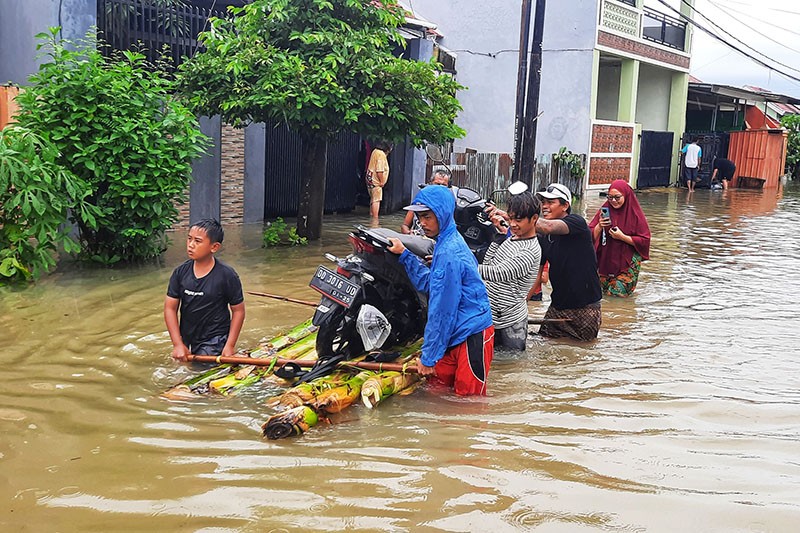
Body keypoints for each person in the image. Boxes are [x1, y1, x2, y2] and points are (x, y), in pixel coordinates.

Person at [386, 185, 494, 396]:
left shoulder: (449, 253)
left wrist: (428, 357)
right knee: (439, 393)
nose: (422, 223)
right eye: (419, 217)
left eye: (427, 216)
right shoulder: (444, 243)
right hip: (453, 332)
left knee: (469, 402)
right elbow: (432, 285)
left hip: (472, 332)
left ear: (442, 213)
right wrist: (405, 256)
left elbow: (442, 310)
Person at [164, 219, 246, 361]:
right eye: (189, 239)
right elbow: (170, 308)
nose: (191, 245)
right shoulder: (180, 273)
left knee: (199, 371)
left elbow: (238, 311)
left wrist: (229, 346)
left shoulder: (227, 275)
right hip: (187, 336)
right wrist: (177, 344)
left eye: (197, 241)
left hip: (215, 339)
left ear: (214, 247)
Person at [534, 183, 602, 341]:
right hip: (557, 306)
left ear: (565, 206)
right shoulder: (545, 237)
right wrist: (523, 304)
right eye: (543, 202)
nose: (545, 206)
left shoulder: (577, 223)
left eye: (551, 202)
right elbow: (538, 275)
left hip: (585, 308)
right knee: (544, 344)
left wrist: (511, 217)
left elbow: (547, 226)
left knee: (582, 351)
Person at [478, 191, 542, 351]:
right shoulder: (511, 239)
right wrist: (499, 237)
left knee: (512, 363)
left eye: (518, 220)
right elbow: (488, 264)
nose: (512, 224)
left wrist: (461, 267)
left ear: (534, 218)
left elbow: (499, 273)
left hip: (511, 324)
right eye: (511, 218)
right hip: (492, 317)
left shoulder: (530, 250)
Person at [589, 180, 651, 297]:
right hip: (605, 261)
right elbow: (589, 236)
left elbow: (644, 240)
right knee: (599, 295)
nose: (613, 201)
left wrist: (622, 237)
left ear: (626, 196)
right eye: (610, 197)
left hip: (627, 262)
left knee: (617, 295)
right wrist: (599, 226)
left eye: (617, 197)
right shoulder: (605, 210)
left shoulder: (635, 214)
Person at [400, 169, 452, 235]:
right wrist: (409, 233)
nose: (439, 188)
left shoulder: (449, 207)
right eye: (437, 184)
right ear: (430, 184)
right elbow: (405, 226)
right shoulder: (420, 202)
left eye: (444, 185)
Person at [366, 142, 391, 220]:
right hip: (376, 180)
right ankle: (375, 219)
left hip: (370, 178)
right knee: (376, 199)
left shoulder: (375, 151)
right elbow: (379, 170)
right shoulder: (381, 155)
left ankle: (371, 216)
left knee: (373, 198)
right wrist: (382, 181)